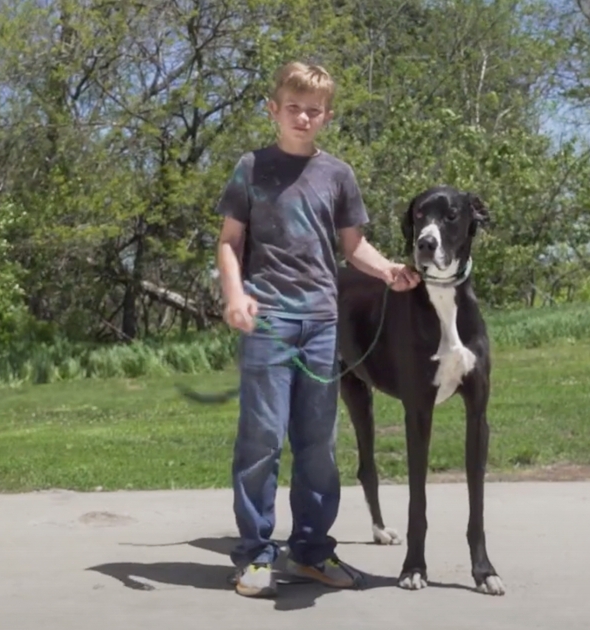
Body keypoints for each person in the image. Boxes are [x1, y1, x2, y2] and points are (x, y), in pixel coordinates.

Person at [213, 60, 420, 598]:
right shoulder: (250, 169)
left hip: (322, 324)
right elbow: (229, 241)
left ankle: (310, 550)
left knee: (318, 445)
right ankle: (255, 556)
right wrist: (235, 296)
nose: (303, 118)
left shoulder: (338, 176)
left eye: (314, 110)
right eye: (293, 108)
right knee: (261, 440)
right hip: (270, 323)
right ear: (273, 109)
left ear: (326, 115)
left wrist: (389, 271)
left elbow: (353, 247)